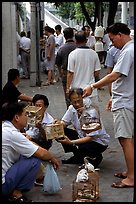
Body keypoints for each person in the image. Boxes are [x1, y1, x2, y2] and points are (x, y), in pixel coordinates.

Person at [83, 23, 134, 188]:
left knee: (125, 139)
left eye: (112, 39)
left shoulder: (127, 51)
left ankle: (131, 177)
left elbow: (115, 75)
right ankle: (131, 171)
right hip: (128, 98)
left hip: (126, 102)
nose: (112, 43)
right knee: (131, 139)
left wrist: (93, 86)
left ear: (120, 34)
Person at [2, 101, 60, 202]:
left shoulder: (6, 129)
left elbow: (32, 147)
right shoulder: (12, 134)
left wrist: (28, 140)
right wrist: (52, 158)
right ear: (16, 117)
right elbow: (41, 153)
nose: (27, 118)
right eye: (25, 115)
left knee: (26, 154)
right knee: (34, 160)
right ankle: (16, 193)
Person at [57, 88, 110, 167]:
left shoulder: (91, 111)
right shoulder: (72, 108)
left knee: (83, 147)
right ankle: (78, 156)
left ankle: (95, 157)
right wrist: (56, 125)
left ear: (82, 98)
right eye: (74, 102)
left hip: (97, 142)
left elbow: (90, 137)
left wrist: (71, 142)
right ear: (70, 102)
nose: (77, 104)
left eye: (79, 101)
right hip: (82, 137)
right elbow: (64, 122)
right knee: (59, 132)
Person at [66, 31, 101, 106]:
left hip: (76, 92)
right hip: (91, 91)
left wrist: (68, 88)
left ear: (75, 41)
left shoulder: (72, 54)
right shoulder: (94, 53)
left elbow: (70, 73)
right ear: (86, 40)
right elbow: (97, 71)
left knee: (77, 114)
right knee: (93, 114)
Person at [55, 27, 77, 107]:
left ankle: (70, 111)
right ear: (73, 35)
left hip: (65, 73)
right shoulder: (77, 47)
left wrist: (60, 73)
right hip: (77, 73)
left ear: (64, 36)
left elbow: (58, 63)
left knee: (68, 95)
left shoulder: (61, 49)